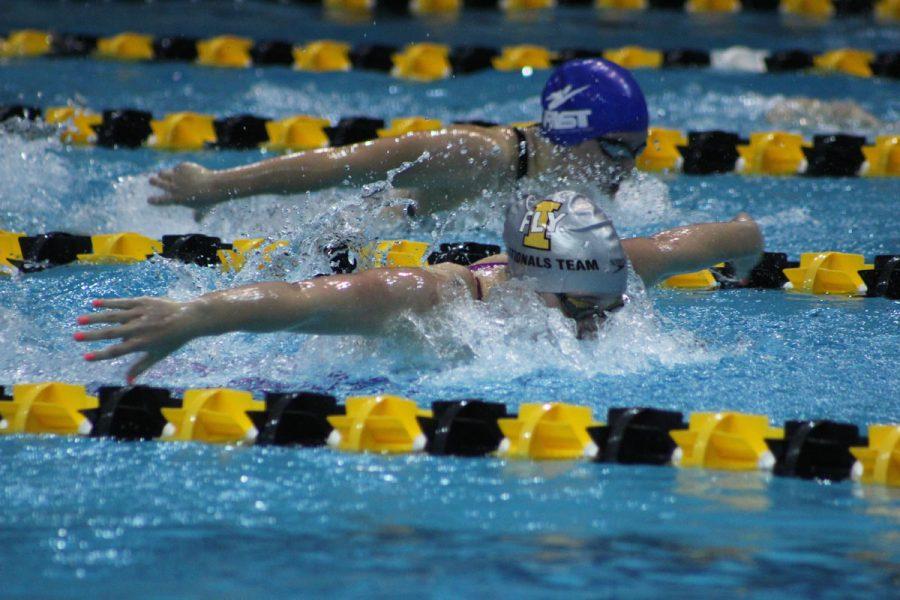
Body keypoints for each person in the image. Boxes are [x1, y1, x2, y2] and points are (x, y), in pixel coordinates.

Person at [75, 191, 764, 382]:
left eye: (606, 307)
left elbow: (714, 239)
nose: (597, 325)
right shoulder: (433, 301)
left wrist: (748, 243)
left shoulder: (601, 270)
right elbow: (305, 301)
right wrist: (192, 317)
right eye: (582, 310)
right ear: (531, 284)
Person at [147, 59, 649, 220]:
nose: (625, 166)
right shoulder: (477, 154)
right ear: (568, 131)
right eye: (614, 148)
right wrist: (217, 186)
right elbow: (337, 165)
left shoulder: (575, 179)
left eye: (636, 151)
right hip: (341, 246)